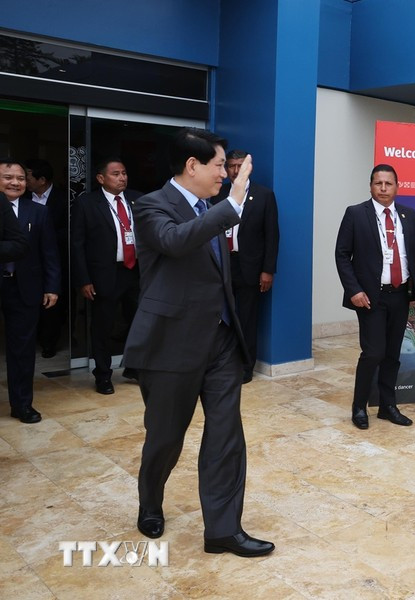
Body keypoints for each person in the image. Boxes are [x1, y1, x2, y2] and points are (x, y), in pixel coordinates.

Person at [123, 128, 273, 557]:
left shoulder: (211, 206)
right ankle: (150, 501)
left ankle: (223, 530)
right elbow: (174, 241)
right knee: (166, 439)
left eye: (228, 169)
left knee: (227, 435)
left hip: (221, 342)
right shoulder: (151, 205)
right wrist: (232, 204)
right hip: (172, 345)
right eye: (218, 167)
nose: (224, 176)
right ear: (192, 166)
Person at [335, 163, 415, 429]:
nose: (383, 188)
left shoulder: (408, 215)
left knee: (392, 353)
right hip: (370, 297)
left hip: (401, 295)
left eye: (388, 183)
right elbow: (342, 255)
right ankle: (359, 406)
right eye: (378, 183)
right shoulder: (356, 214)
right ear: (370, 186)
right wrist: (354, 290)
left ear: (396, 187)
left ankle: (387, 406)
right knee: (373, 352)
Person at [71, 158, 142, 394]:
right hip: (104, 274)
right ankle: (102, 374)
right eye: (115, 174)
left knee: (138, 322)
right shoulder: (87, 204)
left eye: (124, 173)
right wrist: (83, 279)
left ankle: (134, 367)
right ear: (101, 178)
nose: (122, 177)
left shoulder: (138, 199)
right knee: (103, 326)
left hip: (135, 272)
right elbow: (77, 245)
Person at [210, 149, 279, 383]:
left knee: (247, 319)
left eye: (240, 165)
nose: (236, 170)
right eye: (231, 166)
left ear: (249, 168)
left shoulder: (264, 195)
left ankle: (246, 367)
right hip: (223, 265)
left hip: (249, 267)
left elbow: (272, 235)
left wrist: (268, 270)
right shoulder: (218, 194)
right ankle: (222, 363)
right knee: (221, 318)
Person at [0, 158, 60, 424]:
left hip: (24, 288)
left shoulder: (37, 211)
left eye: (21, 178)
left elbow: (49, 252)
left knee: (22, 350)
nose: (15, 182)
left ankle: (22, 404)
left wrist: (52, 287)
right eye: (8, 177)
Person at [25, 158, 69, 358]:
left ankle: (50, 342)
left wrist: (43, 236)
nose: (24, 181)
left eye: (27, 176)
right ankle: (34, 336)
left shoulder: (63, 199)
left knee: (54, 303)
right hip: (28, 260)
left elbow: (69, 230)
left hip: (57, 258)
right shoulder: (24, 198)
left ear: (41, 180)